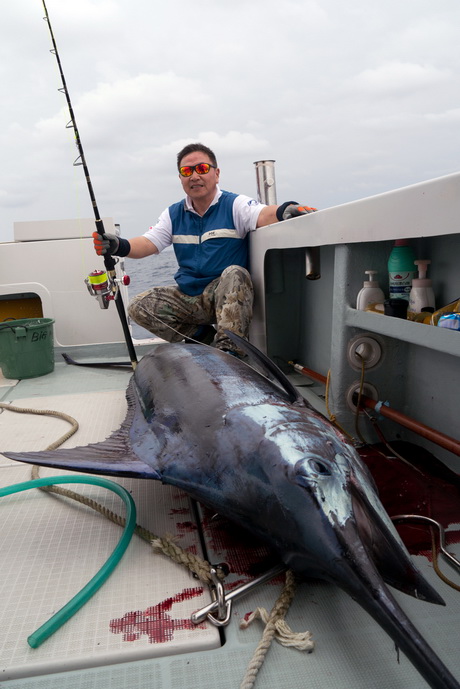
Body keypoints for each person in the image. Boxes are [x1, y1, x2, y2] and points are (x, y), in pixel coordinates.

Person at [93, 143, 315, 357]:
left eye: (201, 169)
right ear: (180, 178)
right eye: (186, 171)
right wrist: (117, 245)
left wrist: (286, 209)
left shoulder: (235, 205)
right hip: (191, 297)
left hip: (227, 296)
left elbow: (263, 214)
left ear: (216, 174)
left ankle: (231, 351)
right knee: (139, 306)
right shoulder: (173, 214)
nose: (194, 176)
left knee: (235, 272)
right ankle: (203, 338)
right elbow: (148, 243)